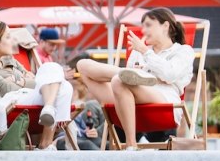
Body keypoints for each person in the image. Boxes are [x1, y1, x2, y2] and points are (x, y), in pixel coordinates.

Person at [77, 8, 196, 148]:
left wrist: (145, 52)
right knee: (82, 66)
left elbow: (169, 75)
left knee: (119, 80)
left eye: (148, 25)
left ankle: (131, 144)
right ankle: (135, 75)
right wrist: (138, 62)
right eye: (142, 26)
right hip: (128, 100)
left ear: (165, 26)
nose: (143, 30)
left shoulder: (183, 51)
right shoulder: (137, 52)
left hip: (163, 99)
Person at [0, 23, 73, 135]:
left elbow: (36, 82)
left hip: (22, 96)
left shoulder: (8, 59)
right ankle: (46, 139)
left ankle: (48, 108)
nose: (13, 41)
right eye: (8, 37)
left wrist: (20, 81)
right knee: (60, 87)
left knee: (54, 72)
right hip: (3, 102)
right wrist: (24, 80)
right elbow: (5, 89)